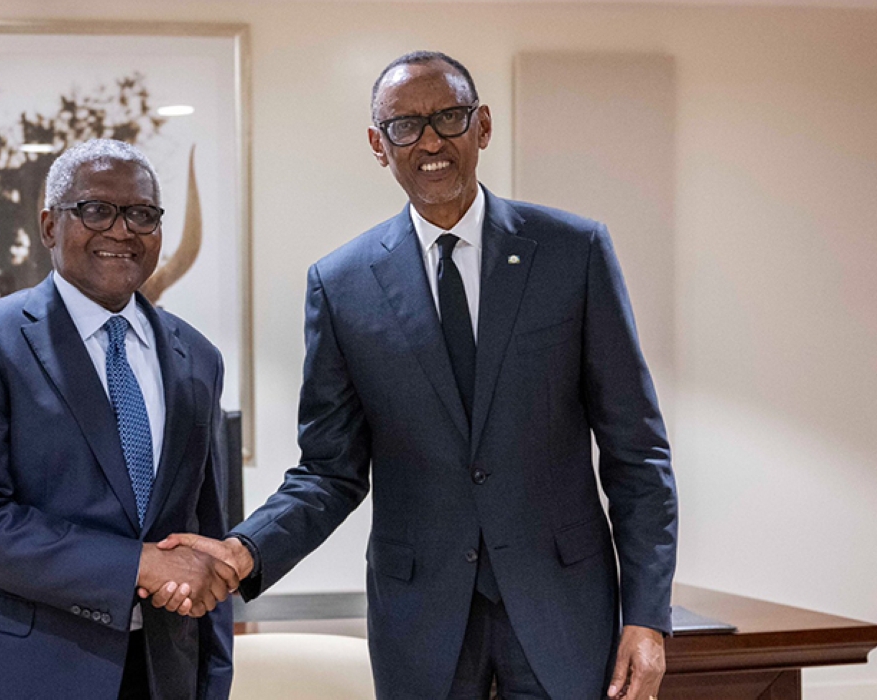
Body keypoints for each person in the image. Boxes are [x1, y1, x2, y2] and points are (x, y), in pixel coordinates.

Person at [157, 51, 677, 700]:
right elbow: (329, 470)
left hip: (563, 605)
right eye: (404, 126)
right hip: (421, 617)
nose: (429, 140)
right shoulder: (341, 285)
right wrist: (243, 551)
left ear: (481, 126)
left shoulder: (573, 252)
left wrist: (648, 616)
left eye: (448, 117)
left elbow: (637, 453)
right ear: (378, 145)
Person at [0, 139, 236, 700]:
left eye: (142, 214)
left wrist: (211, 677)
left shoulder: (199, 358)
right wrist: (138, 565)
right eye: (95, 210)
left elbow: (203, 528)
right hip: (13, 673)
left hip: (159, 673)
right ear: (49, 226)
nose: (121, 230)